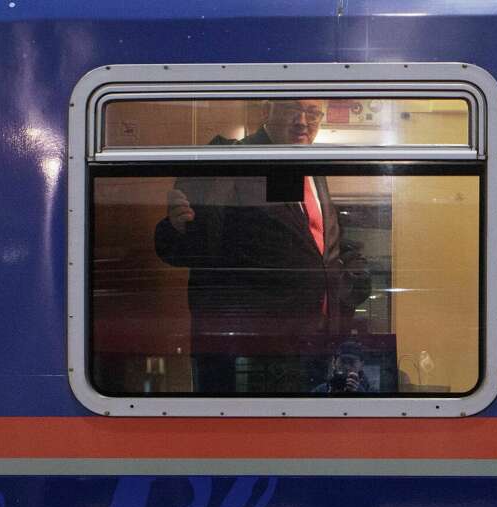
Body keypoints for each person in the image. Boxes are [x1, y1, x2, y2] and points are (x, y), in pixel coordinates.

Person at [154, 98, 370, 393]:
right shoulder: (232, 160)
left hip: (316, 341)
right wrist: (179, 228)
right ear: (266, 111)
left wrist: (355, 279)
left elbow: (313, 239)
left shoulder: (309, 167)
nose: (302, 121)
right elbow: (200, 245)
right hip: (257, 348)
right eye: (292, 109)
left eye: (312, 113)